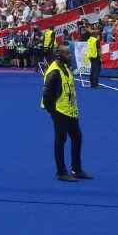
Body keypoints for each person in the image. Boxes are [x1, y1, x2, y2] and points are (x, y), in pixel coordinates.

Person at [42, 40, 90, 182]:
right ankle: (61, 172)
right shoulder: (54, 72)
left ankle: (76, 169)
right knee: (61, 140)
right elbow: (46, 96)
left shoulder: (65, 67)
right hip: (59, 111)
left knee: (77, 137)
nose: (70, 55)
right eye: (67, 53)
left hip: (70, 110)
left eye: (70, 53)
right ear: (59, 55)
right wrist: (53, 112)